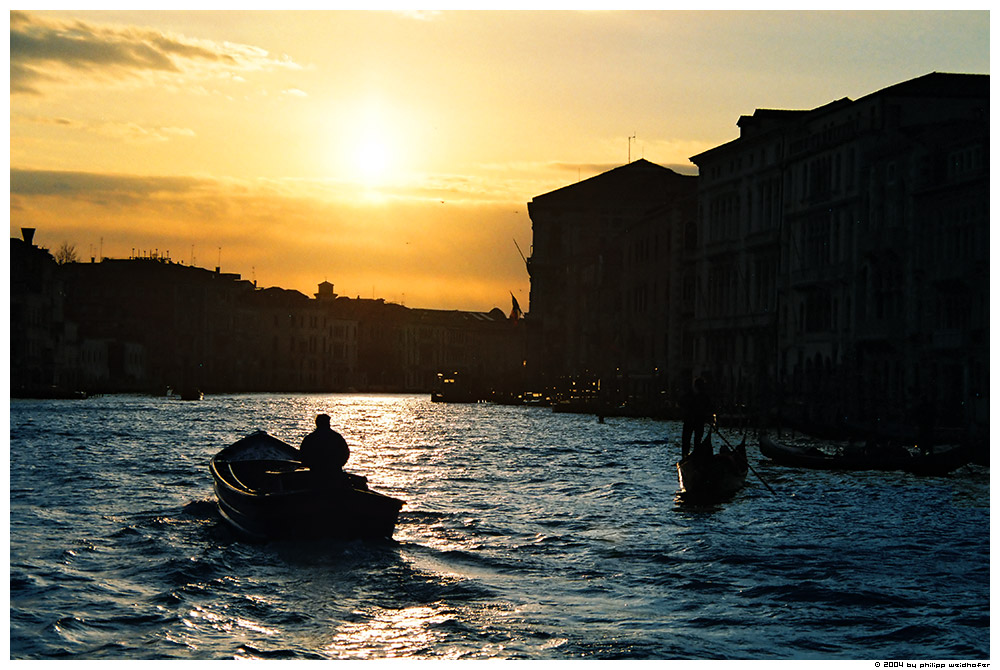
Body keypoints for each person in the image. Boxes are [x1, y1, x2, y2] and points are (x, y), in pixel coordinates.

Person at [299, 414, 350, 478]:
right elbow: (345, 453)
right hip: (335, 473)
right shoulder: (337, 437)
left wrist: (311, 465)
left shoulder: (309, 438)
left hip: (316, 473)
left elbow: (303, 455)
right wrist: (338, 465)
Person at [680, 377, 714, 459]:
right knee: (689, 440)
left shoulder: (702, 396)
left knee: (694, 440)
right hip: (693, 421)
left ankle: (691, 455)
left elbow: (708, 407)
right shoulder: (701, 396)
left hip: (696, 421)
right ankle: (687, 456)